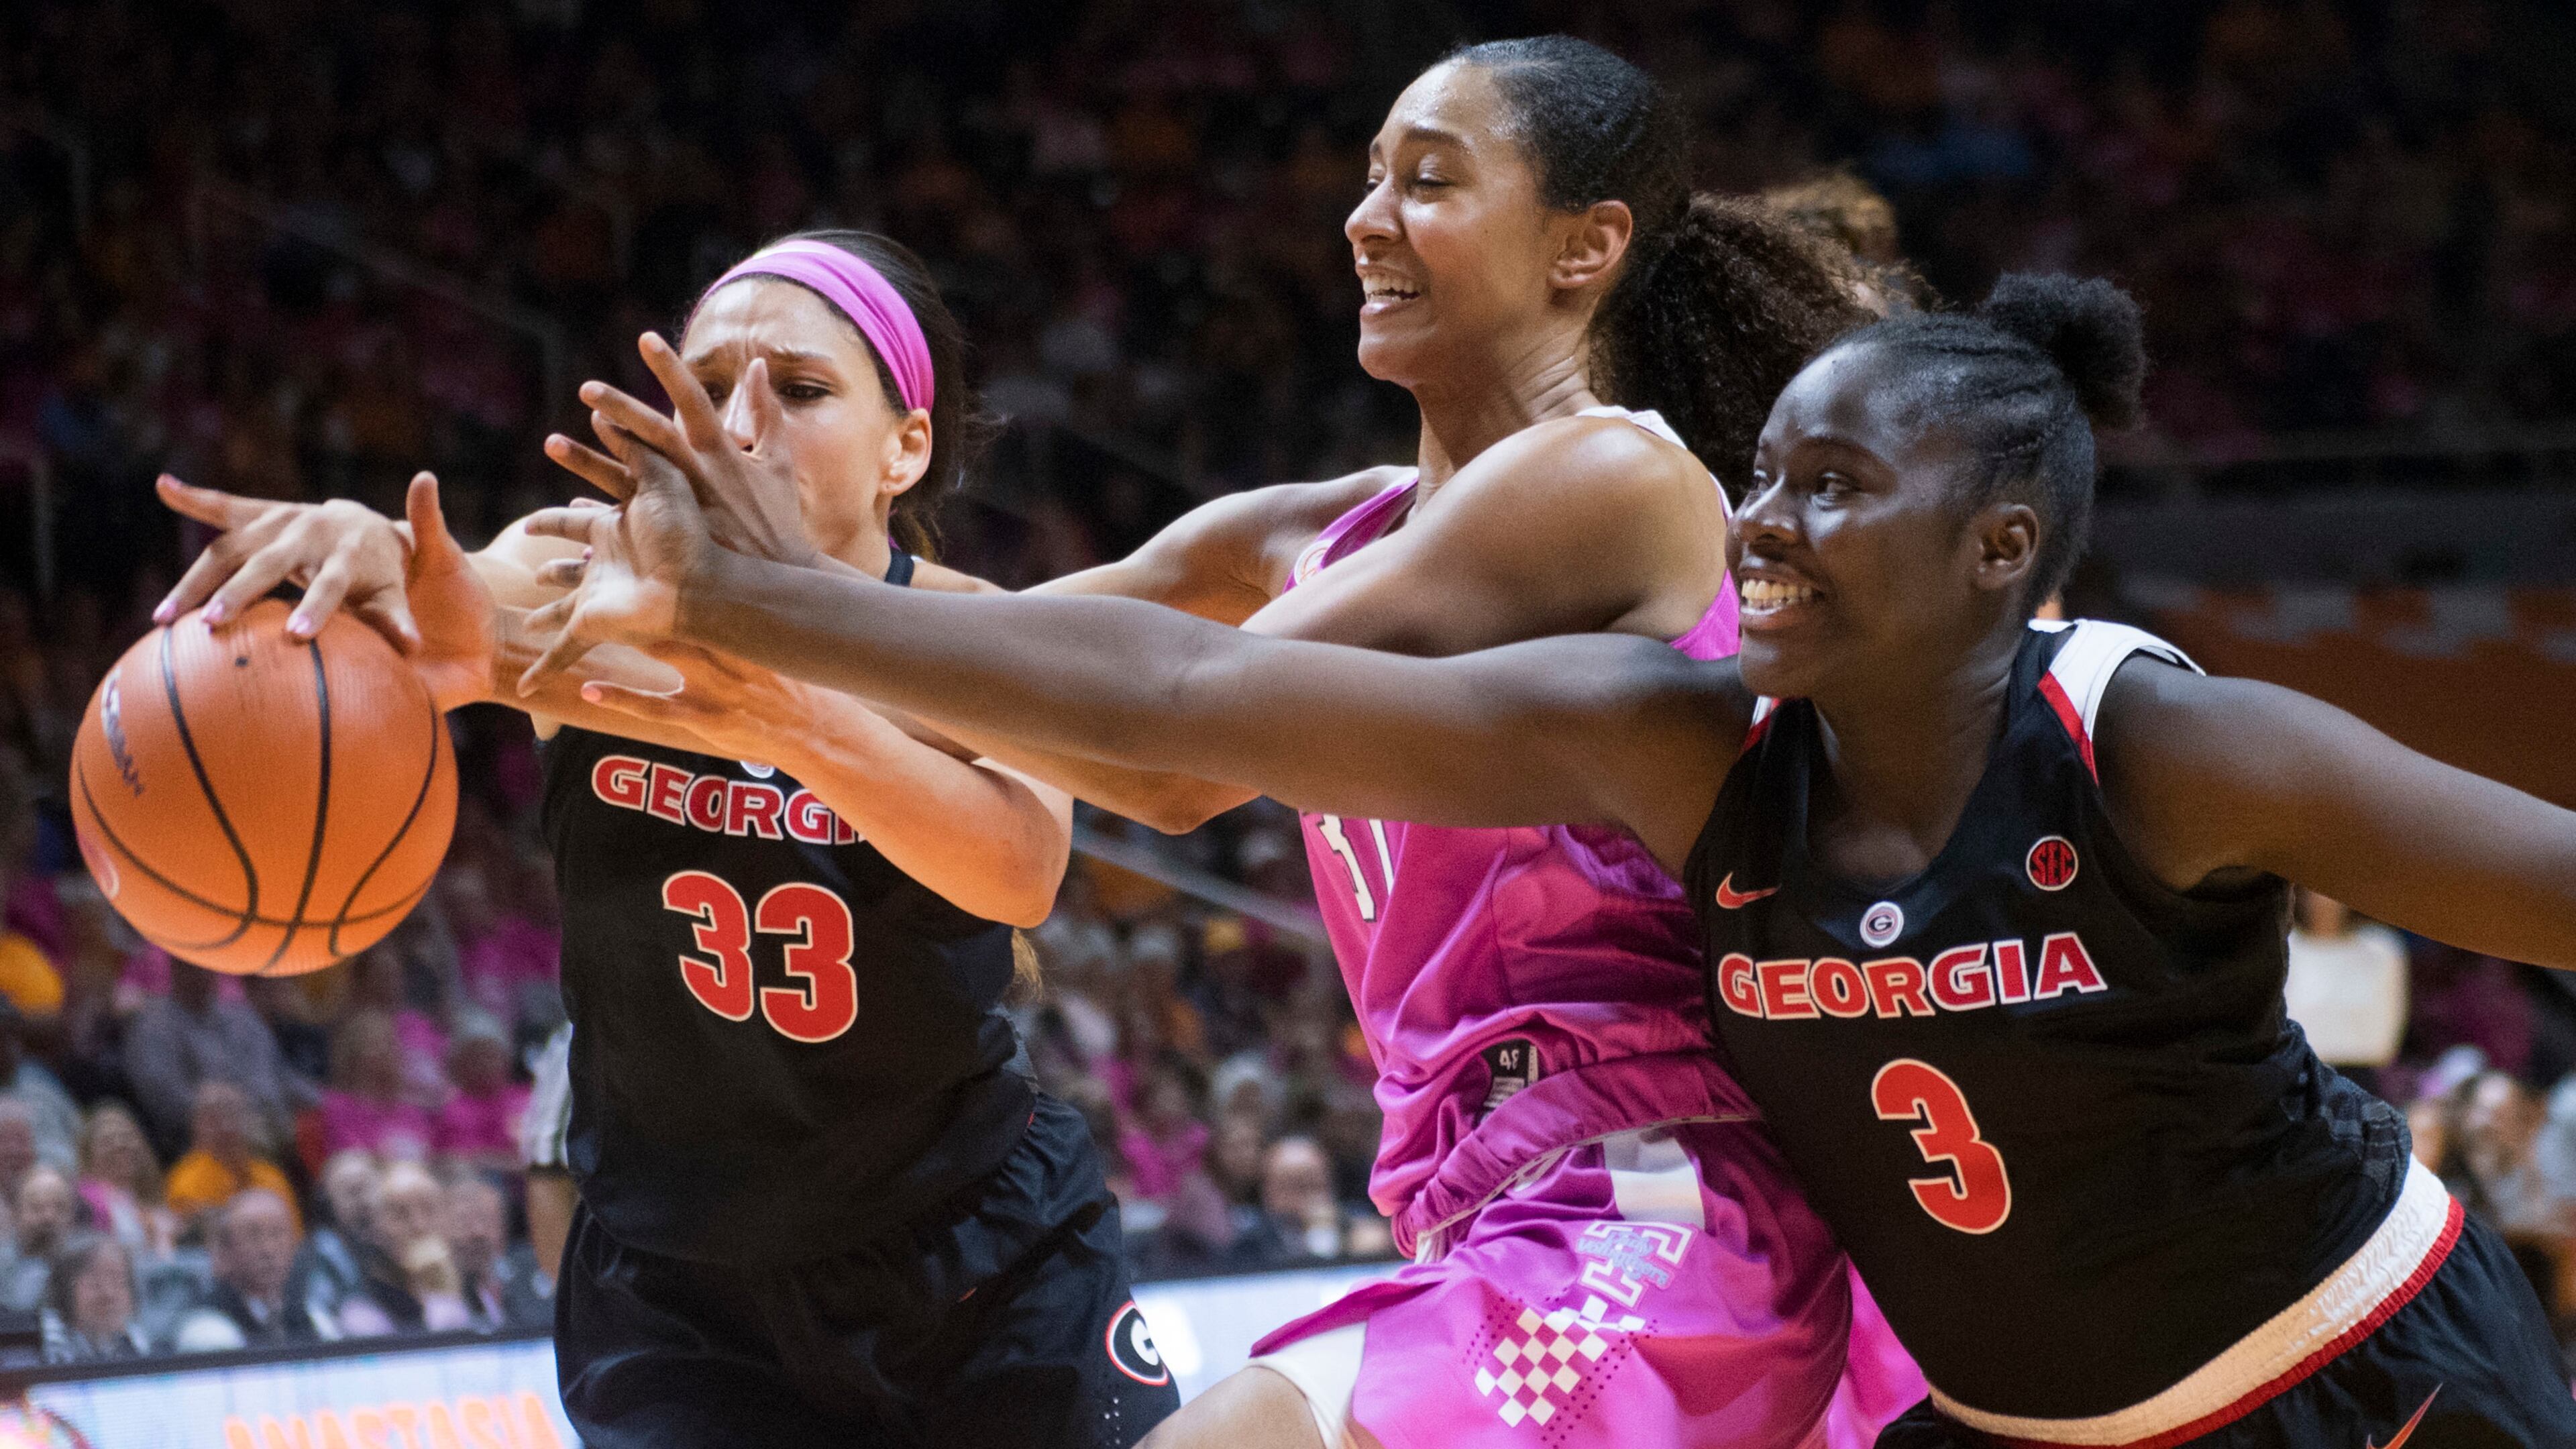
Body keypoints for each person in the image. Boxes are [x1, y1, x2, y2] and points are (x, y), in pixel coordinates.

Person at [525, 272, 2576, 1447]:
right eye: (1760, 474)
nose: (1753, 525)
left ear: (1998, 552)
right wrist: (752, 607)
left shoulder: (2151, 739)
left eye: (1827, 489)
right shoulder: (1669, 746)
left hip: (2350, 1376)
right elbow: (1176, 714)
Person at [535, 36, 1915, 1449]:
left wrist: (749, 604)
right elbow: (964, 652)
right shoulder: (1314, 530)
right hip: (1474, 1210)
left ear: (1586, 247)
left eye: (1428, 181)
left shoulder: (1607, 479)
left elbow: (1166, 752)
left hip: (1652, 1194)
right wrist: (446, 599)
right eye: (1370, 178)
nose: (1365, 217)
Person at [150, 228, 1173, 1446]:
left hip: (972, 1254)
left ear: (907, 448)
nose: (739, 425)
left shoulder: (982, 635)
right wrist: (367, 563)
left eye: (799, 390)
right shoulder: (576, 570)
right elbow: (450, 614)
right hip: (682, 1290)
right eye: (705, 385)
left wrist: (783, 706)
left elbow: (1018, 866)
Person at [121, 959, 303, 1155]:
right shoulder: (153, 1025)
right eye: (193, 968)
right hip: (196, 1142)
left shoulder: (242, 1019)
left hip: (270, 1123)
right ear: (176, 970)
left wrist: (327, 1104)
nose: (203, 975)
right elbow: (166, 1097)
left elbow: (278, 1076)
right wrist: (230, 1120)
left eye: (208, 966)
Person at [169, 1187, 332, 1351]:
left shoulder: (315, 1318)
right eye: (254, 1236)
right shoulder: (206, 1329)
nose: (268, 1250)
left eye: (277, 1234)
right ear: (224, 1252)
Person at [2280, 887, 2410, 1075]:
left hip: (2362, 1075)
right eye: (2314, 891)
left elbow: (2388, 1032)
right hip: (2297, 1073)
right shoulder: (2287, 946)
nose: (2324, 901)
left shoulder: (2381, 948)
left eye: (2330, 890)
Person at [337, 1159, 469, 1337]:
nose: (418, 1225)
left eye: (429, 1210)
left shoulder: (471, 1283)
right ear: (376, 1229)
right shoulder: (362, 1311)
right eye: (400, 1214)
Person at [164, 1080, 300, 1228]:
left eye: (233, 1115)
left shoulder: (272, 1177)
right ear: (197, 1126)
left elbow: (295, 1235)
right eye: (214, 1119)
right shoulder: (185, 1183)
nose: (226, 1127)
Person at [74, 1102, 178, 1261]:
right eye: (107, 1141)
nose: (120, 1145)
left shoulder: (154, 1197)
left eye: (126, 1137)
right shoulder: (85, 1203)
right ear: (88, 1155)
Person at [38, 1233, 148, 1363]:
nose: (108, 1294)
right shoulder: (41, 1340)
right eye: (94, 1283)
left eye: (119, 1281)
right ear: (64, 1290)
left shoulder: (134, 1339)